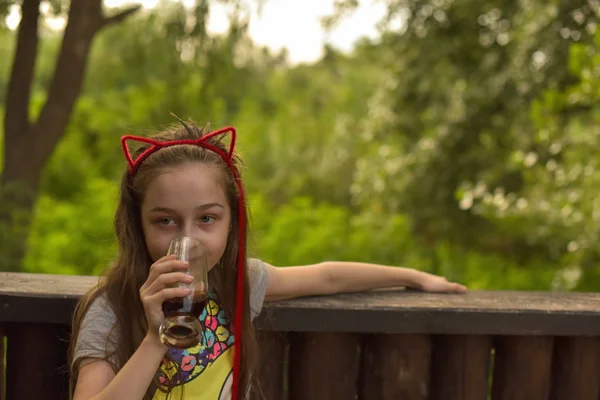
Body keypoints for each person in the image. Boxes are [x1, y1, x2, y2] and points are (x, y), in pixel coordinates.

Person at [68, 118, 467, 400]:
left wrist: (415, 278)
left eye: (207, 218)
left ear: (232, 222)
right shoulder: (113, 308)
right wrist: (157, 337)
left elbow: (326, 277)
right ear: (138, 225)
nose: (188, 238)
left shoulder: (238, 281)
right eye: (166, 221)